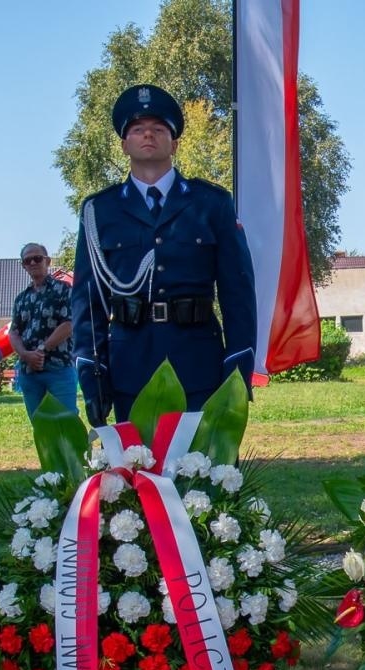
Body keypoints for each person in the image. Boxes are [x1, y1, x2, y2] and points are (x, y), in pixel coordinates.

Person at [70, 84, 256, 425]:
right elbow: (88, 302)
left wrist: (238, 366)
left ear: (175, 142)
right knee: (136, 473)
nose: (148, 136)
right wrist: (92, 372)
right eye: (138, 130)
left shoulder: (211, 204)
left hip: (198, 363)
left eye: (159, 129)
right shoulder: (100, 210)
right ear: (125, 143)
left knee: (203, 472)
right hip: (130, 365)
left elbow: (238, 294)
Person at [8, 242, 77, 420]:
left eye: (37, 258)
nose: (33, 263)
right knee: (40, 429)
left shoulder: (64, 290)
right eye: (27, 260)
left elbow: (69, 324)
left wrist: (42, 350)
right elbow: (14, 332)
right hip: (29, 373)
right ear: (23, 266)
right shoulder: (21, 299)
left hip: (59, 369)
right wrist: (25, 355)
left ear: (47, 261)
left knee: (68, 424)